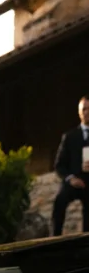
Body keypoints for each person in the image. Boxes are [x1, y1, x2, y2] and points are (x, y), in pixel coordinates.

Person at [53, 98, 89, 236]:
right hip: (73, 181)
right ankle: (54, 239)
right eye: (83, 109)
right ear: (79, 113)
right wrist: (71, 178)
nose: (87, 112)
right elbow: (59, 165)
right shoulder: (69, 137)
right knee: (59, 201)